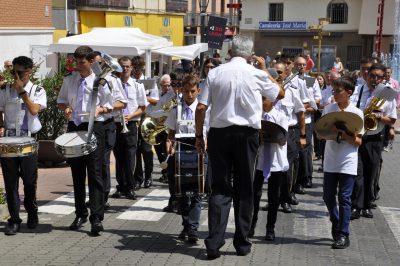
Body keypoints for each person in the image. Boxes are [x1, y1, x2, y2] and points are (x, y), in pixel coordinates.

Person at [195, 35, 283, 259]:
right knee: (245, 187)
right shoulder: (256, 73)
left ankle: (214, 243)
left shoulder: (214, 72)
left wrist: (198, 135)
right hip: (247, 135)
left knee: (220, 186)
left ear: (230, 52)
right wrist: (264, 69)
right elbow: (280, 93)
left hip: (219, 133)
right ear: (250, 54)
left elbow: (201, 107)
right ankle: (242, 243)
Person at [57, 45, 113, 235]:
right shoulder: (69, 79)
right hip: (75, 127)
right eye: (76, 62)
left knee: (95, 172)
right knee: (77, 172)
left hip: (94, 126)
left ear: (91, 61)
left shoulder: (101, 80)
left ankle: (96, 217)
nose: (78, 66)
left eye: (82, 62)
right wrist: (65, 108)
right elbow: (61, 100)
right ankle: (80, 212)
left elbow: (111, 104)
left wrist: (101, 109)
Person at [0, 56, 46, 235]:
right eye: (14, 72)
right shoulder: (4, 90)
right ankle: (14, 219)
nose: (16, 77)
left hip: (29, 139)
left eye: (20, 73)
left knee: (29, 181)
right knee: (10, 183)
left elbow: (34, 110)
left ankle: (32, 212)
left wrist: (22, 93)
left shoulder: (37, 90)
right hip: (10, 139)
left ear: (29, 72)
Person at [320, 76, 363, 249]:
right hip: (330, 159)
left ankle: (343, 234)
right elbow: (319, 134)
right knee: (328, 196)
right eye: (333, 90)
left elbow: (358, 141)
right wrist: (328, 132)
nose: (335, 94)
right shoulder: (329, 109)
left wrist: (344, 135)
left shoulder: (357, 113)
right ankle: (335, 220)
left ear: (349, 93)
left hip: (348, 160)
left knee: (344, 197)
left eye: (338, 91)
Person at [350, 63, 397, 220]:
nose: (375, 79)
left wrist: (379, 117)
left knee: (371, 173)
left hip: (375, 138)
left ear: (383, 78)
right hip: (357, 136)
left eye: (378, 76)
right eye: (372, 76)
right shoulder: (357, 91)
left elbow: (391, 119)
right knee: (358, 173)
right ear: (367, 75)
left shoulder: (387, 95)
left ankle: (367, 204)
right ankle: (357, 205)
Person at [165, 73, 202, 243]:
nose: (189, 95)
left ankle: (192, 230)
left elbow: (208, 132)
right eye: (186, 91)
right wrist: (169, 143)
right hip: (179, 153)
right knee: (180, 193)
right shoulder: (175, 110)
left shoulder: (203, 111)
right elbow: (171, 133)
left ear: (198, 91)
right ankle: (186, 224)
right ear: (181, 90)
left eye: (193, 91)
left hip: (198, 153)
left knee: (196, 193)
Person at [250, 96, 288, 241]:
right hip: (259, 160)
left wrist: (271, 134)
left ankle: (270, 228)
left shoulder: (280, 116)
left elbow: (283, 140)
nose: (261, 101)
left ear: (272, 101)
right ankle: (251, 225)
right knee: (255, 194)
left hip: (275, 160)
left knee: (273, 197)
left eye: (264, 99)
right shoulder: (255, 115)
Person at [92, 51, 126, 208]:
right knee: (93, 163)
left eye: (99, 63)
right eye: (93, 63)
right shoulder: (86, 80)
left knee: (104, 161)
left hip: (106, 124)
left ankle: (103, 195)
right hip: (90, 124)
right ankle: (96, 194)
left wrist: (105, 109)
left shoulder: (112, 80)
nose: (96, 66)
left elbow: (122, 103)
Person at [112, 56, 146, 200]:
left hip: (131, 124)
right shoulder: (113, 84)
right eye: (123, 66)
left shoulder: (138, 86)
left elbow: (143, 107)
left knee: (130, 157)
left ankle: (130, 187)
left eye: (128, 66)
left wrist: (130, 116)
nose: (125, 69)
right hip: (116, 123)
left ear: (132, 68)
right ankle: (121, 186)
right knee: (118, 157)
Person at [132, 56, 159, 189]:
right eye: (135, 68)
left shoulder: (149, 81)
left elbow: (156, 100)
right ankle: (138, 178)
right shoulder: (129, 81)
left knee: (147, 149)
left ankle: (148, 176)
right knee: (136, 149)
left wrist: (143, 97)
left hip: (148, 118)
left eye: (139, 69)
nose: (137, 71)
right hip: (134, 118)